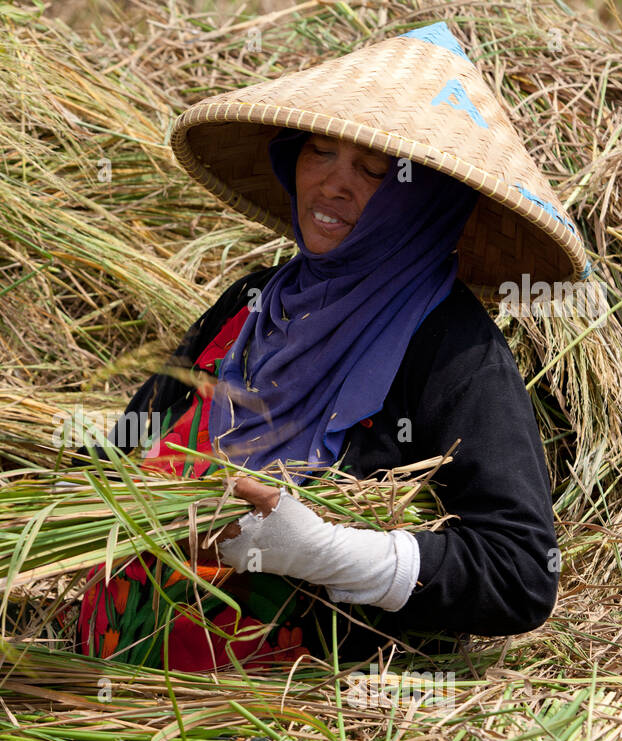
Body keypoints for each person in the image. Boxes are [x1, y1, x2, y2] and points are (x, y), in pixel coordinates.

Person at [71, 23, 592, 671]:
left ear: (426, 197)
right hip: (110, 658)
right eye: (320, 152)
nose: (334, 185)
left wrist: (322, 551)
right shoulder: (251, 303)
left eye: (374, 169)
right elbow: (126, 448)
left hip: (259, 722)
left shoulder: (453, 350)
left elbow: (519, 575)